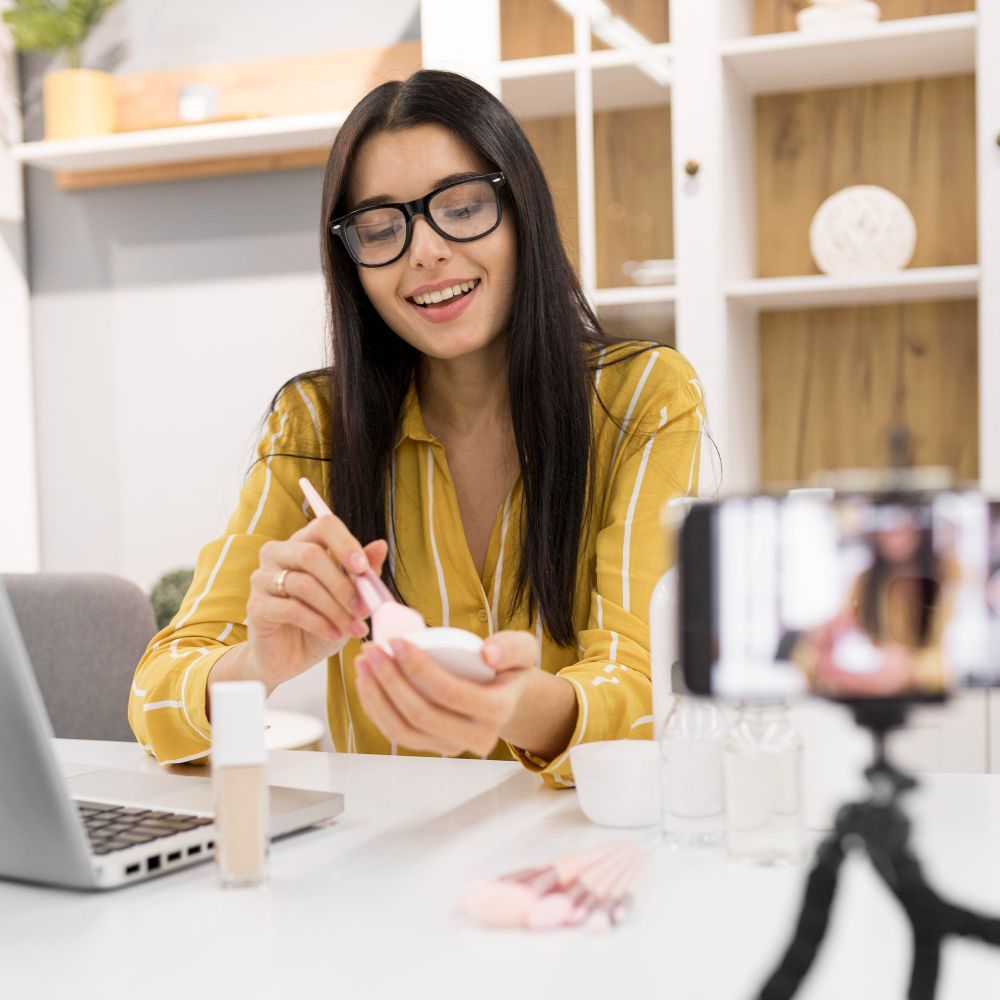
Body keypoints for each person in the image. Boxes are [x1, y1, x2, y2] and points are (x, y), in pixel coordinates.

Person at [128, 70, 706, 787]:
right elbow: (157, 692)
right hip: (384, 864)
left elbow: (645, 693)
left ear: (523, 212)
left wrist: (508, 705)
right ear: (352, 264)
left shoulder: (643, 396)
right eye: (379, 228)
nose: (424, 251)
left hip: (574, 854)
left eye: (462, 208)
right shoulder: (315, 423)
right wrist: (258, 665)